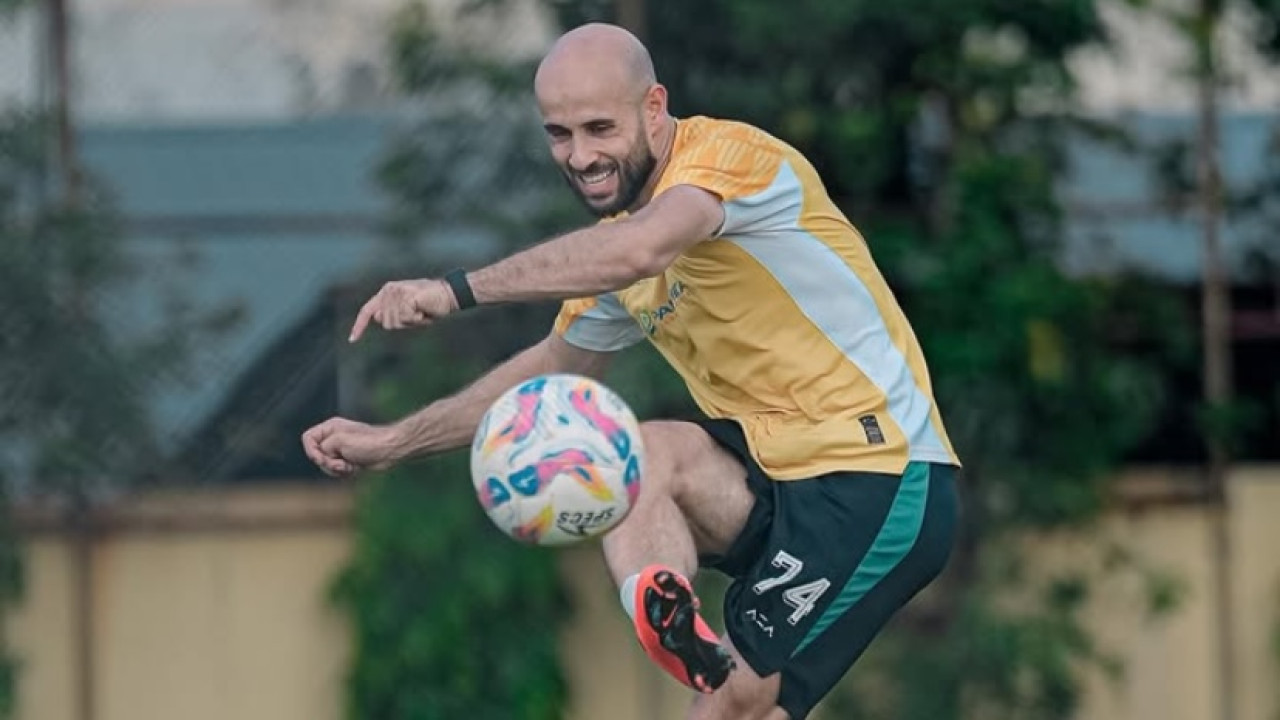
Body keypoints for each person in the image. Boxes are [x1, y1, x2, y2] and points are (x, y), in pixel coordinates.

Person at [302, 22, 960, 720]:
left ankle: (712, 663)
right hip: (776, 475)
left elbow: (642, 250)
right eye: (559, 134)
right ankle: (668, 611)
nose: (581, 155)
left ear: (654, 109)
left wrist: (454, 290)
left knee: (736, 706)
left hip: (881, 475)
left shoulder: (727, 161)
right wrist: (392, 442)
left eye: (598, 128)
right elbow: (547, 377)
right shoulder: (617, 255)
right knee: (634, 453)